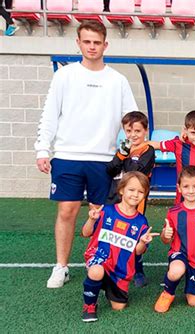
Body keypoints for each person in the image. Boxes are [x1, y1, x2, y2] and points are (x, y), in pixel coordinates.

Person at [35, 20, 138, 288]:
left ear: (105, 45)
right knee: (67, 210)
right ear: (78, 43)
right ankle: (61, 267)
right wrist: (42, 149)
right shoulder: (65, 75)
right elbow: (49, 115)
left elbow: (132, 120)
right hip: (68, 155)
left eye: (97, 42)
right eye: (87, 41)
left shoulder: (118, 80)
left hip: (104, 159)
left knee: (103, 214)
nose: (92, 47)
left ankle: (104, 263)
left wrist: (129, 152)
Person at [81, 172, 159, 322]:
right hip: (100, 258)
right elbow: (86, 233)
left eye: (140, 191)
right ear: (122, 190)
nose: (135, 194)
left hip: (121, 270)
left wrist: (142, 242)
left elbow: (137, 252)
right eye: (131, 190)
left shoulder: (141, 221)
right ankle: (89, 305)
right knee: (96, 271)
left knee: (119, 307)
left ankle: (105, 286)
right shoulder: (106, 211)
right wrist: (91, 220)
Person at [154, 166, 195, 313]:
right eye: (186, 186)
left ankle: (189, 281)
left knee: (194, 302)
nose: (191, 191)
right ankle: (168, 293)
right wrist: (165, 235)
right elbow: (166, 240)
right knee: (176, 270)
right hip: (179, 254)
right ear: (179, 188)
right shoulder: (173, 212)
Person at [106, 111, 155, 288]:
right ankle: (113, 267)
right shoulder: (122, 149)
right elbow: (111, 170)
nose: (133, 135)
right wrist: (120, 155)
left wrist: (126, 156)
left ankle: (138, 268)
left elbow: (136, 172)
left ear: (145, 132)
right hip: (116, 198)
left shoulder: (148, 150)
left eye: (137, 131)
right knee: (114, 234)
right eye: (129, 131)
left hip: (135, 201)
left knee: (133, 234)